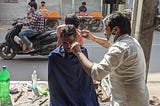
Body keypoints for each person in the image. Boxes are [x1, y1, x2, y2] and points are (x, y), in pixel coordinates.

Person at [70, 12, 149, 106]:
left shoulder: (120, 48)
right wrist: (93, 38)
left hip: (128, 101)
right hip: (137, 98)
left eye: (106, 29)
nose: (104, 32)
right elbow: (110, 44)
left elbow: (96, 73)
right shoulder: (130, 41)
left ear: (115, 30)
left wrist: (78, 52)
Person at [48, 25, 99, 106]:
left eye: (71, 42)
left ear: (75, 39)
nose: (68, 46)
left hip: (81, 93)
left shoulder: (82, 52)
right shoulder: (54, 57)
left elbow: (86, 79)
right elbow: (54, 85)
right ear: (61, 40)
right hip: (64, 95)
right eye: (65, 43)